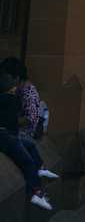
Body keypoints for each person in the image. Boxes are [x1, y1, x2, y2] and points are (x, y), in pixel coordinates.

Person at [0, 72, 53, 210]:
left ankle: (41, 167)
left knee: (29, 146)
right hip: (7, 137)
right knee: (27, 162)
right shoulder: (12, 100)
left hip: (8, 136)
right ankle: (36, 193)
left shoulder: (7, 99)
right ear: (11, 88)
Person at [0, 58, 48, 140]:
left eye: (5, 78)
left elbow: (30, 118)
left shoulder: (28, 93)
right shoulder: (19, 90)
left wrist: (7, 121)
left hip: (23, 137)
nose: (2, 81)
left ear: (16, 78)